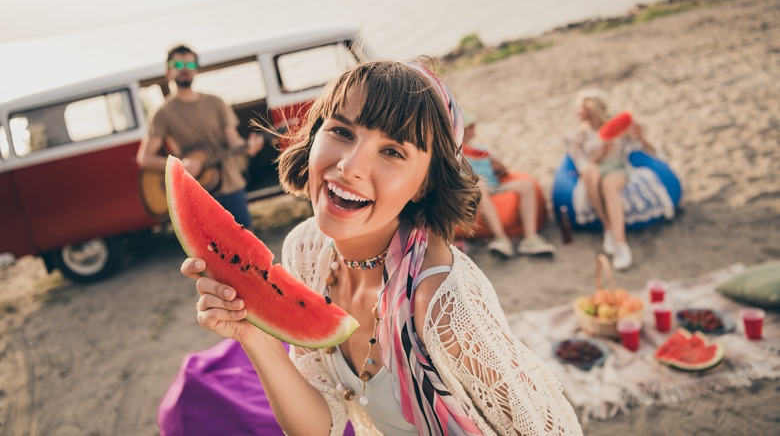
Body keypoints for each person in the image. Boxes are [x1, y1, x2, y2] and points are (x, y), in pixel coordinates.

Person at [180, 61, 582, 435]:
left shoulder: (442, 303)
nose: (350, 166)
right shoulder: (306, 251)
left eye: (392, 152)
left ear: (425, 182)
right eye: (341, 131)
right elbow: (322, 424)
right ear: (315, 134)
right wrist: (256, 337)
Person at [136, 44, 263, 229]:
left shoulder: (216, 102)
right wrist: (180, 166)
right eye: (178, 65)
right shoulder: (162, 113)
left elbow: (234, 141)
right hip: (199, 191)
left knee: (247, 242)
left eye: (190, 65)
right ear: (168, 71)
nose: (185, 70)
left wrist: (249, 146)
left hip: (232, 185)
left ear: (196, 69)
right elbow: (145, 158)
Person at [567, 90, 657, 270]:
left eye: (581, 108)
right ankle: (607, 226)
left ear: (592, 109)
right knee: (589, 172)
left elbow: (651, 151)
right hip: (593, 170)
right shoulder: (579, 135)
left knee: (608, 184)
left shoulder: (616, 127)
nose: (577, 111)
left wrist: (640, 136)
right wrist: (601, 153)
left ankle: (620, 245)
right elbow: (581, 163)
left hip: (616, 167)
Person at [461, 113, 556, 258]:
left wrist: (497, 164)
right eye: (469, 128)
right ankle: (501, 238)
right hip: (475, 193)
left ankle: (530, 239)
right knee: (479, 184)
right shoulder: (455, 153)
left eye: (473, 127)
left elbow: (503, 171)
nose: (473, 131)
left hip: (496, 188)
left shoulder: (481, 150)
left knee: (526, 185)